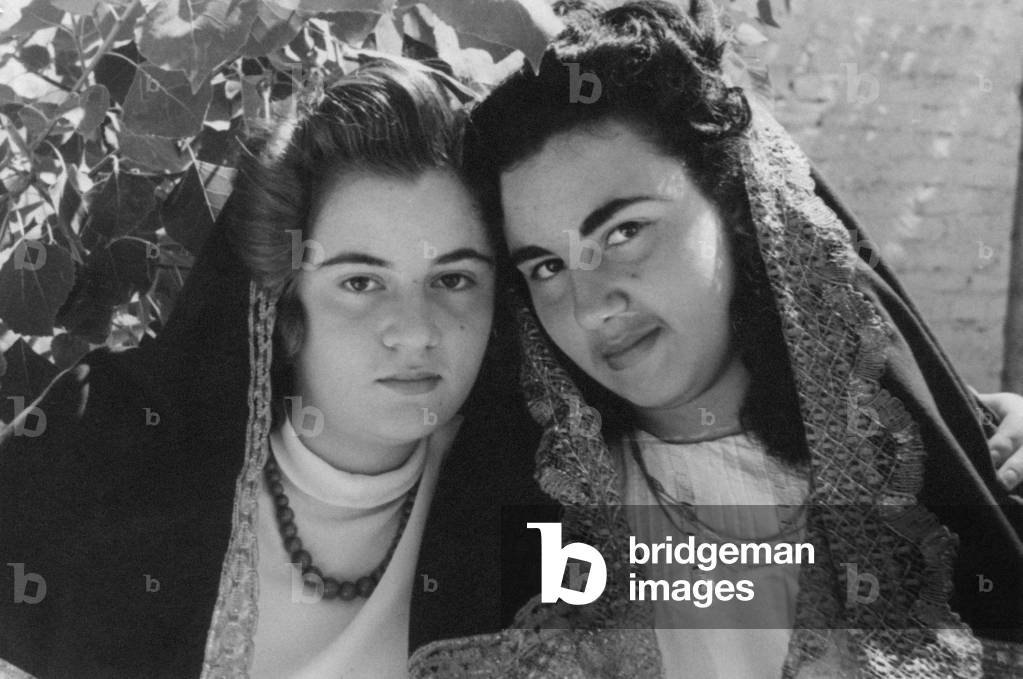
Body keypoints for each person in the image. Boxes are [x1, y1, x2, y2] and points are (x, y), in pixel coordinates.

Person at [414, 1, 1023, 677]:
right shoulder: (524, 520)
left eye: (623, 231)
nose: (590, 307)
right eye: (547, 266)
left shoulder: (916, 470)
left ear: (733, 206)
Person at [0, 59, 551, 679]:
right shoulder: (96, 452)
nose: (417, 331)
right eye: (361, 282)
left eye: (454, 279)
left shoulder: (547, 498)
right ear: (286, 303)